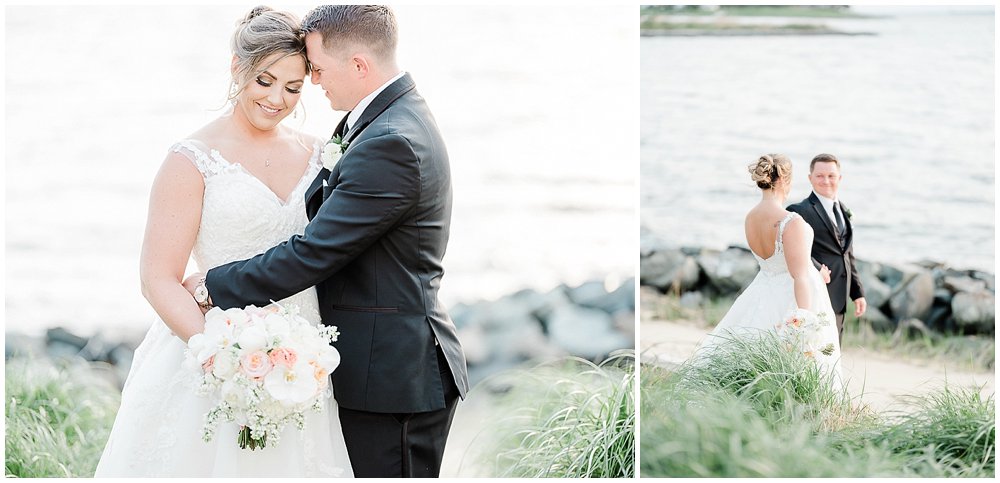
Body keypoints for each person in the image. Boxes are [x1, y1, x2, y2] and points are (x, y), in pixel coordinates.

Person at [182, 5, 469, 478]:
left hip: (394, 380)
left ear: (358, 65)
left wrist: (212, 285)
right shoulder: (392, 118)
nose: (313, 82)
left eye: (315, 70)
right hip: (378, 369)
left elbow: (314, 253)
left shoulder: (390, 140)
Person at [95, 7, 353, 477]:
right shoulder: (191, 160)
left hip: (306, 359)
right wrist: (219, 354)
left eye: (293, 88)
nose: (277, 99)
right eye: (265, 81)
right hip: (214, 350)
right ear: (238, 68)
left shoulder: (321, 153)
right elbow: (158, 278)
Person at [702, 154, 842, 388]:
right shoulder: (790, 221)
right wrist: (804, 321)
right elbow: (798, 275)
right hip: (792, 298)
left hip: (762, 291)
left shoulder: (750, 218)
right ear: (784, 180)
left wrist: (816, 274)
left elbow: (776, 263)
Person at [786, 153, 866, 343]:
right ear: (810, 178)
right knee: (814, 349)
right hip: (815, 292)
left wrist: (857, 292)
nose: (826, 181)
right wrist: (816, 268)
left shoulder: (844, 210)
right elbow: (794, 251)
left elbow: (847, 255)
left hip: (840, 297)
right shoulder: (798, 211)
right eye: (820, 176)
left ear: (840, 178)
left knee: (833, 352)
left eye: (831, 176)